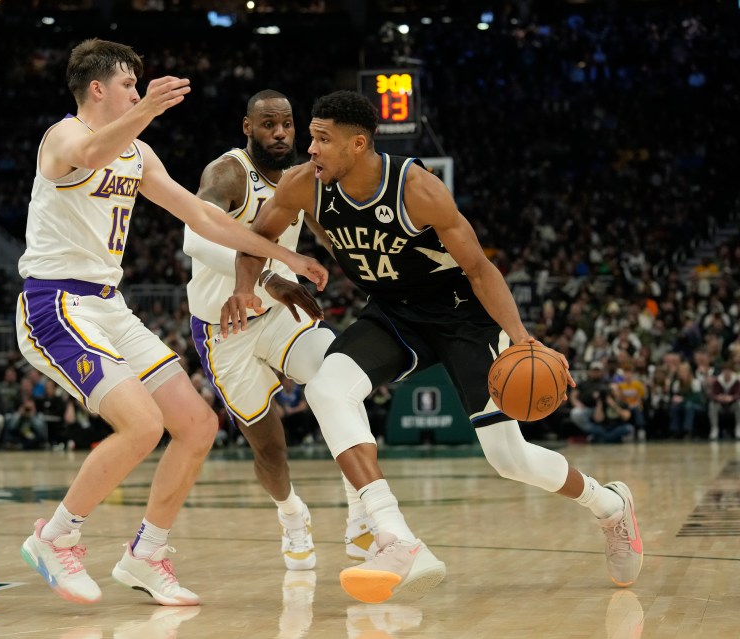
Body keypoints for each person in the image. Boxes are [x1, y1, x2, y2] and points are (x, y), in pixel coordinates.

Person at [221, 90, 643, 603]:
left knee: (509, 458)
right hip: (393, 313)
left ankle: (610, 506)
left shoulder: (417, 188)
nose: (310, 148)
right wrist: (253, 283)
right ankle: (395, 536)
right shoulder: (303, 185)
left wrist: (524, 339)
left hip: (464, 318)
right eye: (311, 136)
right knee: (328, 388)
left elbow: (481, 269)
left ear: (358, 145)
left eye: (322, 139)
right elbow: (252, 239)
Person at [15, 39, 327, 607]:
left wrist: (283, 257)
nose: (138, 90)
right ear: (97, 89)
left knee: (197, 425)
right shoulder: (61, 137)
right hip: (55, 303)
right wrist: (146, 110)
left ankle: (146, 554)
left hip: (109, 305)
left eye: (140, 86)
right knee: (140, 426)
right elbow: (86, 155)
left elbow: (202, 216)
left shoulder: (137, 153)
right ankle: (55, 537)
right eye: (129, 84)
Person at [183, 90, 376, 570]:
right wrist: (269, 276)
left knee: (339, 379)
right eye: (269, 125)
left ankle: (361, 513)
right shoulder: (226, 174)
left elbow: (331, 236)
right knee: (269, 448)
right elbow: (193, 237)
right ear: (247, 128)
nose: (281, 134)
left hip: (278, 314)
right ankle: (292, 516)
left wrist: (375, 279)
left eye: (288, 124)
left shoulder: (302, 178)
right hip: (223, 327)